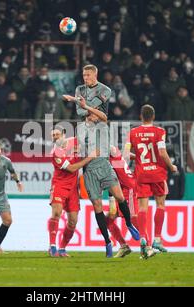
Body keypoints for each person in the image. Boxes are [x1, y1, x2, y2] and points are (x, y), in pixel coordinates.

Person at [63, 65, 139, 258]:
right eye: (84, 75)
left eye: (88, 75)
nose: (85, 78)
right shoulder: (80, 128)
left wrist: (85, 105)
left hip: (104, 166)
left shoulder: (102, 125)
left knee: (120, 197)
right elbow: (81, 117)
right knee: (97, 206)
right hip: (89, 170)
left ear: (95, 74)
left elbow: (103, 115)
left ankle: (129, 224)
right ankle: (107, 242)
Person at [125, 105, 178, 259]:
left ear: (141, 116)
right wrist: (171, 166)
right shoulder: (159, 132)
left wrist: (139, 158)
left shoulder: (133, 132)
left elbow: (127, 154)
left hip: (142, 174)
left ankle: (143, 237)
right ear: (153, 117)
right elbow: (162, 152)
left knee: (143, 208)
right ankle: (157, 239)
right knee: (160, 205)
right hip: (158, 174)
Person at [48, 126, 98, 257]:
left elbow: (88, 140)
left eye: (57, 135)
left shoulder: (75, 141)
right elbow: (71, 168)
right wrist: (90, 158)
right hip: (59, 185)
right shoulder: (56, 152)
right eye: (53, 136)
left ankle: (62, 248)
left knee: (73, 221)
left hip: (73, 188)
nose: (55, 138)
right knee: (57, 212)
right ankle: (52, 246)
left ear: (64, 135)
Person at [108, 146, 147, 258]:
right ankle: (124, 245)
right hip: (119, 189)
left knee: (133, 217)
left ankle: (147, 246)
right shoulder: (112, 150)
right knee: (108, 219)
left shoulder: (105, 151)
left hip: (127, 188)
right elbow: (126, 154)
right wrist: (138, 157)